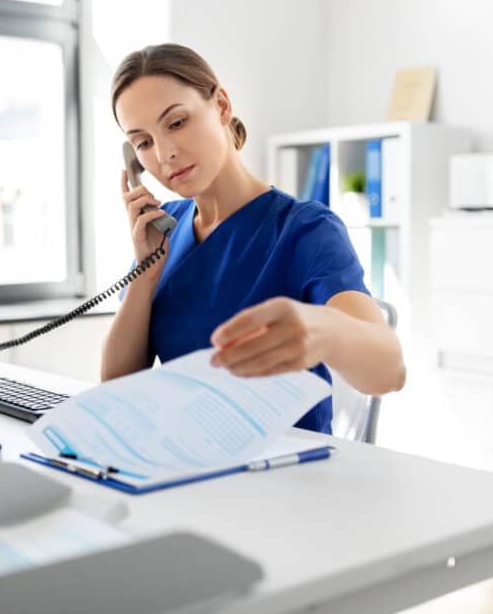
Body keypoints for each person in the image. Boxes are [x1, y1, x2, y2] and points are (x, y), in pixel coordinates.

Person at [101, 43, 405, 434]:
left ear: (222, 106)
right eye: (143, 142)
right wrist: (145, 274)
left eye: (176, 123)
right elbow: (116, 390)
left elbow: (388, 371)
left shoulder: (304, 230)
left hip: (284, 476)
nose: (164, 154)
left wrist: (323, 330)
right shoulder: (162, 232)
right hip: (191, 463)